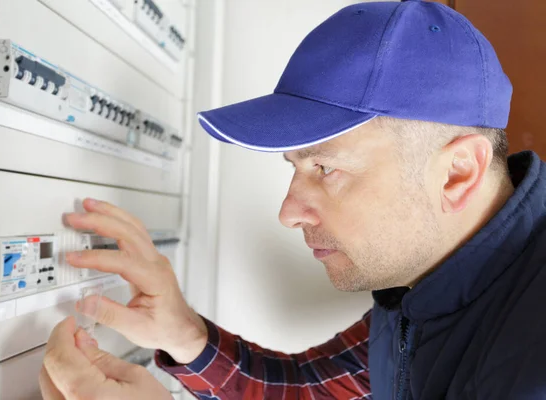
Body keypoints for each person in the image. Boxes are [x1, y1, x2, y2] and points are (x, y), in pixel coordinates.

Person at [40, 0, 546, 399]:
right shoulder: (428, 280)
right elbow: (315, 389)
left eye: (326, 168)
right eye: (296, 167)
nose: (288, 213)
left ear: (457, 173)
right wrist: (186, 335)